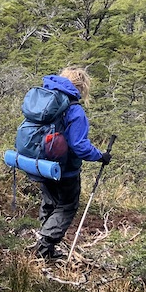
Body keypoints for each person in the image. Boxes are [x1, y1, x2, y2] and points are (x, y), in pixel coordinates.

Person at [33, 67, 111, 260]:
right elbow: (79, 146)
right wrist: (100, 156)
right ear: (81, 87)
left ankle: (44, 241)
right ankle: (44, 247)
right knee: (67, 206)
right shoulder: (74, 110)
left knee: (50, 201)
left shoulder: (45, 101)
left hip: (41, 163)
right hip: (64, 169)